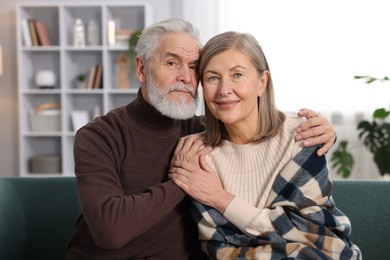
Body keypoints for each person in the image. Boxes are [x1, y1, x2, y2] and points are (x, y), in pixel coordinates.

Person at [66, 19, 337, 259]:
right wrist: (182, 183)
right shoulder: (100, 136)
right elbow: (111, 231)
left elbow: (248, 115)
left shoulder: (203, 131)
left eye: (194, 67)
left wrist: (322, 129)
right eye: (172, 63)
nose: (185, 77)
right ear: (141, 69)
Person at [169, 31, 361, 259]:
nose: (224, 90)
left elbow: (315, 233)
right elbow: (220, 247)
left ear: (262, 82)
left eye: (237, 75)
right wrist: (280, 233)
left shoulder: (302, 136)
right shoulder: (197, 155)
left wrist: (220, 198)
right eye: (212, 77)